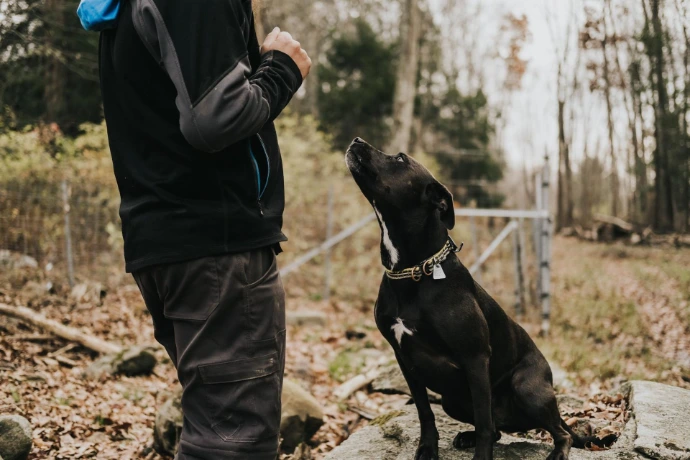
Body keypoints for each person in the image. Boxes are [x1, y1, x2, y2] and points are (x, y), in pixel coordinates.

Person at [77, 0, 311, 458]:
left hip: (168, 244)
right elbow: (216, 117)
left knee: (215, 425)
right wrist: (282, 70)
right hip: (216, 249)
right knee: (232, 442)